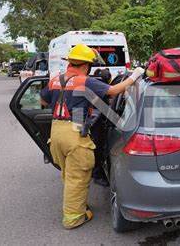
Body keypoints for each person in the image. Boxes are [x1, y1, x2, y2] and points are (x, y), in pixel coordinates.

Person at [40, 44, 144, 229]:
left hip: (56, 133)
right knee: (77, 177)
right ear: (86, 65)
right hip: (74, 136)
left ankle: (77, 204)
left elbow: (43, 100)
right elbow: (113, 91)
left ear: (70, 62)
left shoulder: (56, 79)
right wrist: (135, 76)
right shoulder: (84, 81)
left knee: (69, 174)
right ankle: (73, 218)